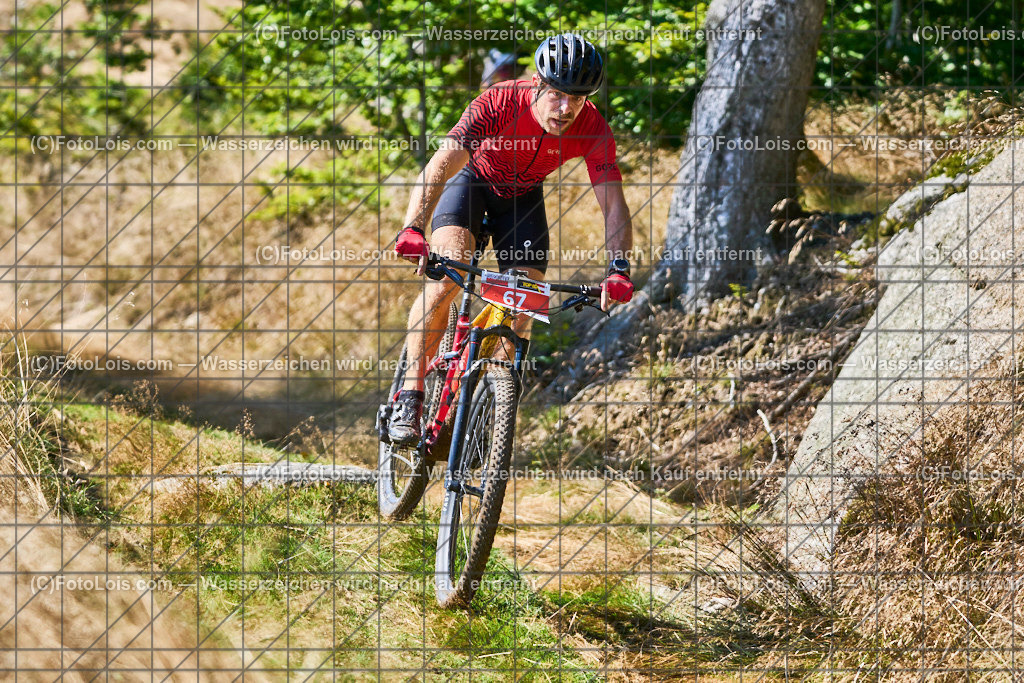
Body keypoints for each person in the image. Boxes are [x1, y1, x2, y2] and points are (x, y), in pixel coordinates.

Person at [389, 33, 634, 446]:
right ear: (538, 82)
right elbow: (441, 164)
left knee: (524, 306)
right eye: (557, 94)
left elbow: (613, 205)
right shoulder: (499, 102)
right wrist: (413, 226)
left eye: (577, 98)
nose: (566, 108)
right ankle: (410, 394)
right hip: (473, 184)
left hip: (522, 201)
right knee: (446, 277)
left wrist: (619, 270)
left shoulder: (593, 128)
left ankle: (490, 411)